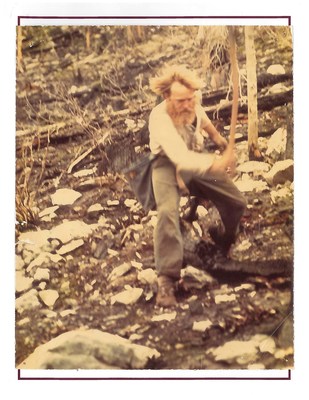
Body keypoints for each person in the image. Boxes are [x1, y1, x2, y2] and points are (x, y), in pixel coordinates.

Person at [148, 65, 247, 307]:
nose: (187, 105)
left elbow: (204, 122)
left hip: (195, 158)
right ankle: (167, 279)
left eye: (191, 99)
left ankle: (223, 240)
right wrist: (217, 162)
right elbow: (180, 158)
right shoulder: (159, 119)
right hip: (166, 164)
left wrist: (220, 141)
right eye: (181, 100)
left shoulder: (193, 105)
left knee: (236, 202)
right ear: (167, 97)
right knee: (168, 214)